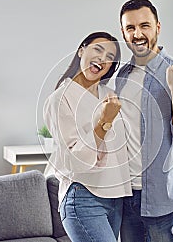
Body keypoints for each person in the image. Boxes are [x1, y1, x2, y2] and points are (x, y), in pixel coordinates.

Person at [115, 0, 173, 242]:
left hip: (166, 199)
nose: (137, 33)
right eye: (130, 28)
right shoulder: (123, 76)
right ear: (123, 32)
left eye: (145, 25)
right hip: (127, 197)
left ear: (158, 28)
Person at [44, 32, 132, 242]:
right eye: (98, 50)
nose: (102, 58)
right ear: (81, 50)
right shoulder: (60, 99)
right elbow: (74, 161)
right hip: (83, 196)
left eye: (109, 56)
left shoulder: (109, 95)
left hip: (116, 197)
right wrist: (104, 121)